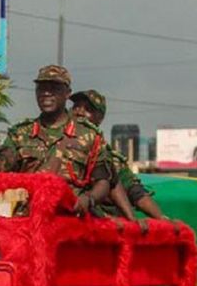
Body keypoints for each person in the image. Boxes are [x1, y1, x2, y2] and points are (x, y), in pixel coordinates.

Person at [0, 65, 110, 215]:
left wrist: (88, 199)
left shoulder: (88, 136)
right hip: (27, 221)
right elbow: (0, 161)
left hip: (68, 220)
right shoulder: (22, 133)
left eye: (54, 88)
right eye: (41, 88)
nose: (46, 93)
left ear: (67, 94)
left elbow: (103, 182)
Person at [70, 89, 166, 222]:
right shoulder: (55, 146)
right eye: (76, 107)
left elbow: (136, 193)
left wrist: (162, 219)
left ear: (100, 118)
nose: (79, 112)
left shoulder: (111, 160)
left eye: (88, 109)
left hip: (101, 227)